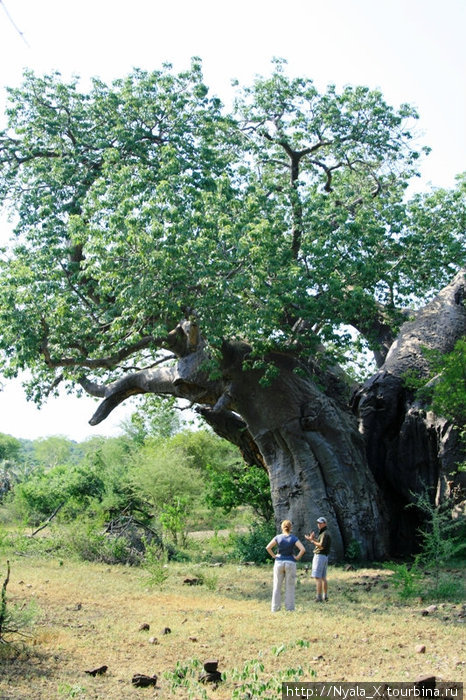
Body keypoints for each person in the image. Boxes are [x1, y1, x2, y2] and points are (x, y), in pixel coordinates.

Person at [266, 519, 306, 612]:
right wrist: (297, 557)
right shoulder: (293, 538)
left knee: (277, 585)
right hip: (290, 562)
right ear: (291, 528)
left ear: (282, 527)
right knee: (290, 586)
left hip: (279, 561)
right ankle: (290, 608)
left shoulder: (278, 537)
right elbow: (302, 549)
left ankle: (275, 608)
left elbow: (268, 547)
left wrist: (274, 556)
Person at [305, 517, 331, 602]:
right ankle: (325, 596)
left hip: (320, 556)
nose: (319, 524)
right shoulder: (324, 533)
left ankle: (319, 597)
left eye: (320, 523)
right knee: (323, 577)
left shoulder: (324, 533)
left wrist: (312, 541)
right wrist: (312, 539)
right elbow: (320, 542)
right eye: (318, 523)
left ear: (325, 523)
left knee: (318, 577)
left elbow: (321, 545)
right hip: (324, 556)